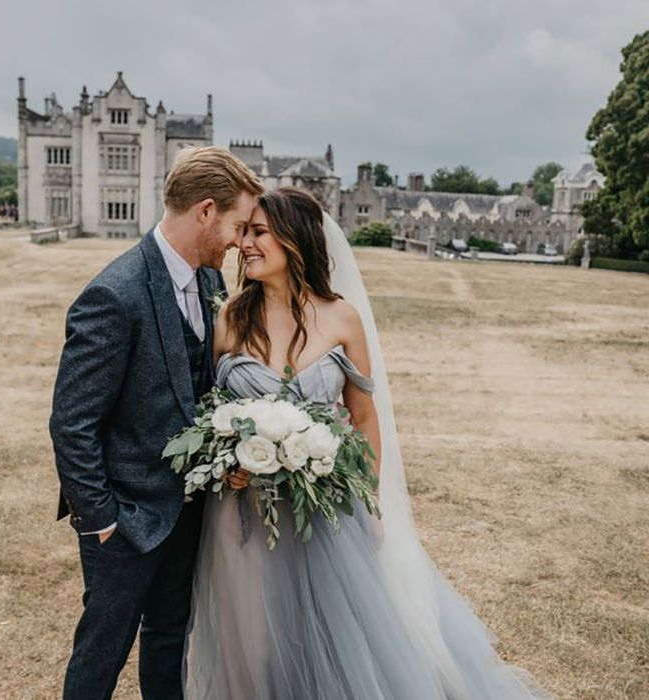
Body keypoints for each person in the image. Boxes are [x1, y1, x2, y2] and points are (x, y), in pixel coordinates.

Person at [184, 187, 551, 699]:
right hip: (241, 515)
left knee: (327, 637)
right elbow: (211, 414)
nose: (243, 243)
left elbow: (363, 416)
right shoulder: (229, 318)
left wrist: (371, 500)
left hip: (323, 514)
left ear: (295, 240)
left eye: (258, 232)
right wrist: (228, 463)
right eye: (243, 231)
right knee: (252, 640)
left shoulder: (341, 319)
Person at [49, 146, 264, 700]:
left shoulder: (213, 286)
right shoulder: (113, 295)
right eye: (240, 226)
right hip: (124, 519)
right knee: (102, 651)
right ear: (207, 211)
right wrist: (102, 521)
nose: (242, 242)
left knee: (170, 640)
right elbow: (72, 424)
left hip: (189, 512)